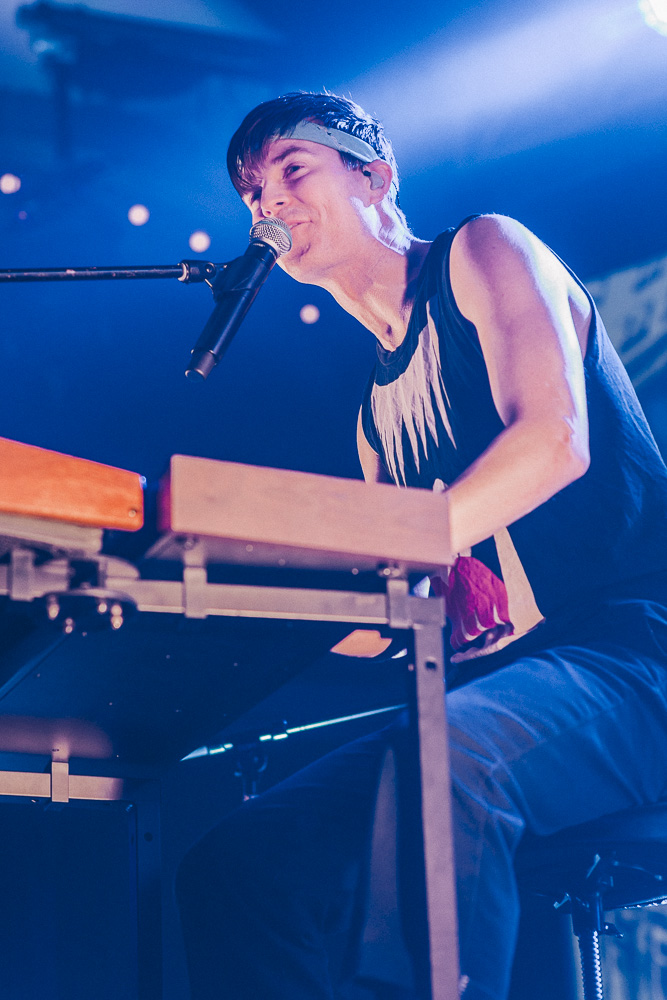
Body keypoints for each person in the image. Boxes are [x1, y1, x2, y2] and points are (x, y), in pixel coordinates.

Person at [176, 92, 667, 1000]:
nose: (268, 203)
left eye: (293, 171)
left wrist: (398, 550)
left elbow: (553, 443)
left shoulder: (482, 251)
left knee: (446, 763)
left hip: (634, 656)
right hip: (501, 691)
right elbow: (389, 615)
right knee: (241, 860)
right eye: (251, 193)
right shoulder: (374, 419)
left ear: (376, 177)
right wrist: (225, 605)